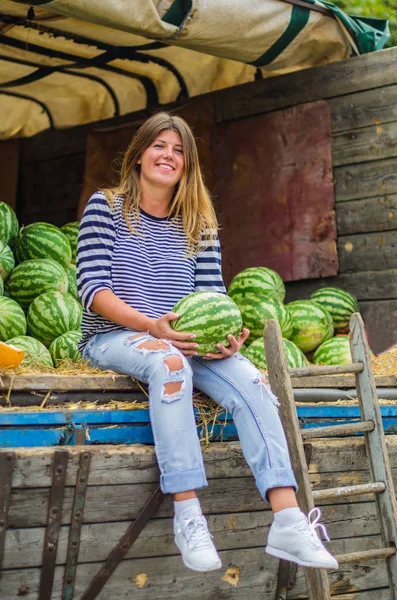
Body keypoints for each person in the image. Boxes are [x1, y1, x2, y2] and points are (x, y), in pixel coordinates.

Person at [76, 112, 338, 573]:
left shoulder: (200, 221)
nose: (168, 156)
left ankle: (288, 520)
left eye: (179, 150)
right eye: (159, 146)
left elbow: (213, 293)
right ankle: (188, 513)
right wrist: (152, 327)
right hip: (115, 336)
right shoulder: (107, 207)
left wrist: (229, 339)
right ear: (139, 155)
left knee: (254, 382)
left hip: (188, 340)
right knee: (170, 367)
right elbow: (93, 290)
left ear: (188, 164)